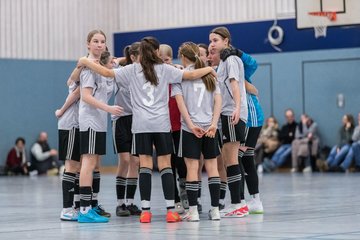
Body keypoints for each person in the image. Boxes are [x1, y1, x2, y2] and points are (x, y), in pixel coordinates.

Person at [77, 36, 216, 223]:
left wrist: (85, 60)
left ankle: (145, 211)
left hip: (141, 125)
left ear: (140, 53)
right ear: (157, 52)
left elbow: (107, 72)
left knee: (145, 167)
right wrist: (209, 68)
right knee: (166, 165)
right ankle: (170, 210)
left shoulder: (132, 69)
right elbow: (190, 75)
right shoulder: (165, 69)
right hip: (161, 124)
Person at [172, 42, 221, 221]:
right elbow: (218, 102)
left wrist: (191, 125)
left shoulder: (180, 77)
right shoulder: (210, 75)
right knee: (212, 167)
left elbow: (180, 104)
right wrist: (214, 124)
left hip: (190, 129)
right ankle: (215, 210)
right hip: (210, 128)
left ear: (184, 57)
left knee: (192, 168)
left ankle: (192, 212)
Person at [77, 30, 122, 223]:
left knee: (94, 164)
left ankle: (91, 206)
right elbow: (85, 96)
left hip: (99, 121)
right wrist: (109, 108)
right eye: (95, 41)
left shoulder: (99, 66)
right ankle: (85, 210)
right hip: (90, 121)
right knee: (87, 163)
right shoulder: (88, 68)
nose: (99, 44)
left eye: (102, 41)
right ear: (88, 44)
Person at [209, 26, 248, 218]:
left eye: (215, 40)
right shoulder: (223, 61)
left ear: (226, 41)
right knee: (228, 161)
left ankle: (238, 204)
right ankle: (238, 203)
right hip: (226, 114)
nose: (212, 44)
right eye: (210, 40)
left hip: (232, 114)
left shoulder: (231, 60)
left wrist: (237, 108)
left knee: (231, 160)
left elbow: (235, 85)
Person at [112, 43, 141, 217]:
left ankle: (130, 202)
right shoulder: (121, 72)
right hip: (121, 119)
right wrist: (128, 54)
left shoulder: (142, 72)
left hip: (136, 120)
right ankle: (120, 203)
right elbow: (112, 61)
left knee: (135, 162)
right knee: (124, 160)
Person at [159, 43, 188, 214]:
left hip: (179, 125)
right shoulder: (156, 76)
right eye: (160, 60)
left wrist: (178, 68)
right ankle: (175, 199)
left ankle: (185, 193)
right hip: (163, 126)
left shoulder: (177, 73)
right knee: (169, 164)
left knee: (181, 161)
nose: (164, 63)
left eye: (167, 59)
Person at [55, 66, 81, 221]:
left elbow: (68, 81)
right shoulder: (83, 76)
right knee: (71, 166)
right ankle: (66, 209)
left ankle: (75, 206)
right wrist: (61, 110)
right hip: (70, 124)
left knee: (76, 166)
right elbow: (75, 93)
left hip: (78, 125)